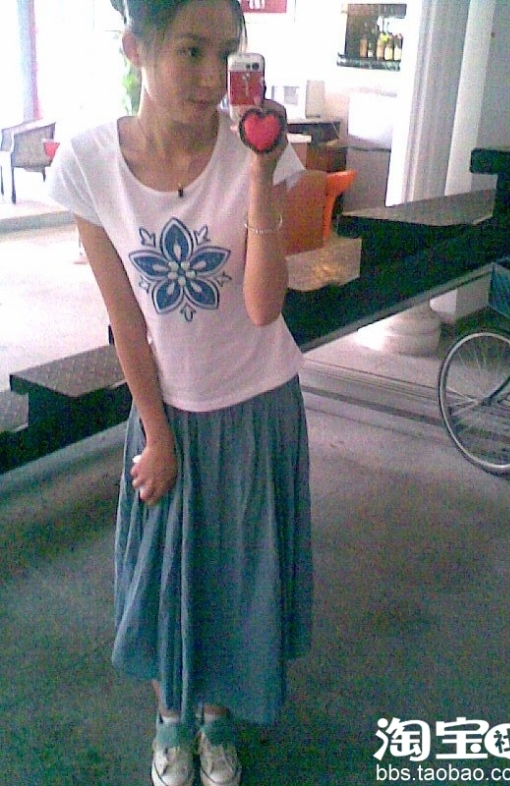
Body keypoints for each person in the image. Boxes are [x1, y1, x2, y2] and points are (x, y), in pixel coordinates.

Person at [47, 2, 313, 785]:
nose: (211, 78)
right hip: (168, 411)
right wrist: (157, 434)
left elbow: (264, 306)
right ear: (136, 48)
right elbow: (126, 322)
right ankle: (171, 717)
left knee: (237, 573)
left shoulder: (256, 151)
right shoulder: (90, 164)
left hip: (259, 404)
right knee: (166, 574)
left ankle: (217, 715)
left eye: (227, 54)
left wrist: (260, 175)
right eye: (190, 51)